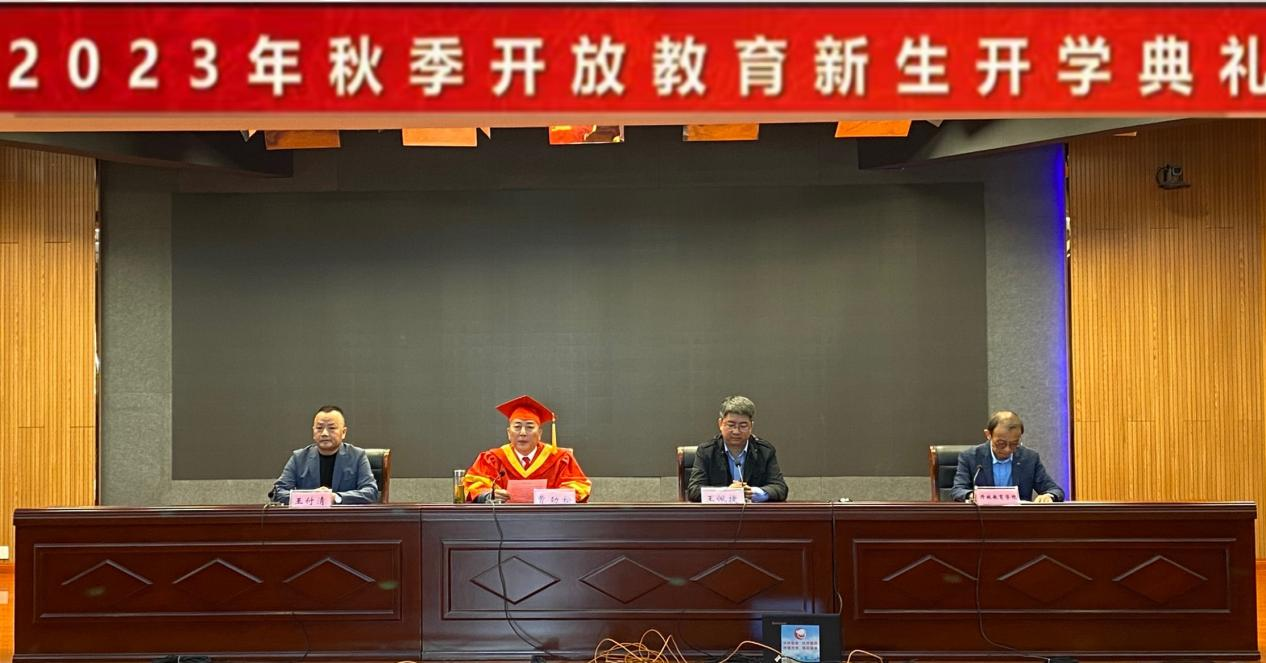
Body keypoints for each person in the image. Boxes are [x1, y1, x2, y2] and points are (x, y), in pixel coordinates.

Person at [462, 395, 592, 503]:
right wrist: (488, 495)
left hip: (550, 521)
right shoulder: (492, 459)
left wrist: (555, 496)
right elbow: (473, 484)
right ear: (509, 433)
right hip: (503, 522)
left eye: (529, 427)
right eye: (517, 427)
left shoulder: (560, 458)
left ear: (539, 433)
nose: (523, 433)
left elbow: (578, 485)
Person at [269, 405, 380, 505]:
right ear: (313, 431)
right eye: (319, 428)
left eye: (331, 428)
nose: (324, 433)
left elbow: (371, 492)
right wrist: (312, 497)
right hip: (309, 518)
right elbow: (278, 492)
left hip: (345, 518)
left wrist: (336, 497)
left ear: (343, 432)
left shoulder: (357, 456)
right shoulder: (299, 458)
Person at [687, 395, 788, 502]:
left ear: (751, 426)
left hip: (752, 511)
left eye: (743, 426)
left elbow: (780, 488)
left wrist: (754, 492)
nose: (736, 431)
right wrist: (727, 493)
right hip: (718, 512)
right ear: (720, 424)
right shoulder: (706, 451)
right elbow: (694, 491)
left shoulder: (765, 451)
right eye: (731, 425)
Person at [950, 410, 1064, 503]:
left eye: (1014, 444)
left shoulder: (1029, 458)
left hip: (1017, 519)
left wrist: (1049, 495)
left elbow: (1055, 490)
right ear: (988, 435)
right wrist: (973, 495)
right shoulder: (970, 457)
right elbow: (957, 490)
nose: (1007, 449)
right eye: (1001, 443)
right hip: (982, 519)